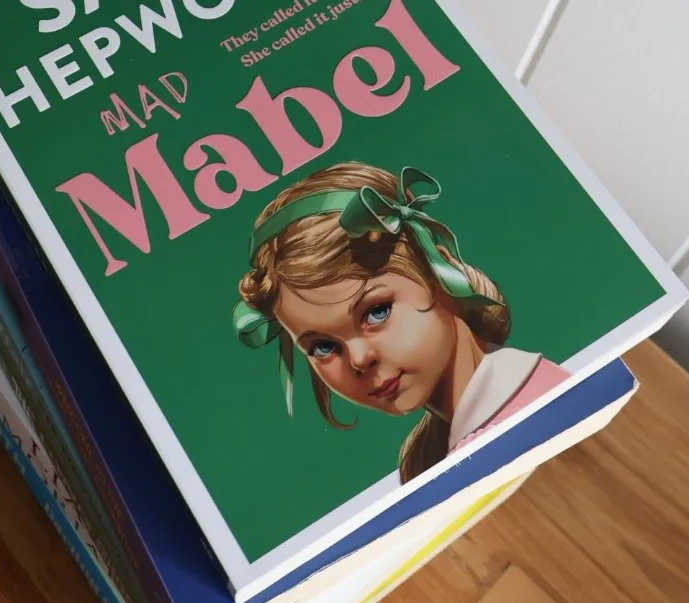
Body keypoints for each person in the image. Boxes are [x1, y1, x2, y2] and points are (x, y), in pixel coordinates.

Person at [233, 162, 567, 481]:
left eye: (376, 311)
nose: (360, 359)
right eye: (323, 346)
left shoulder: (520, 421)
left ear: (440, 272)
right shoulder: (444, 444)